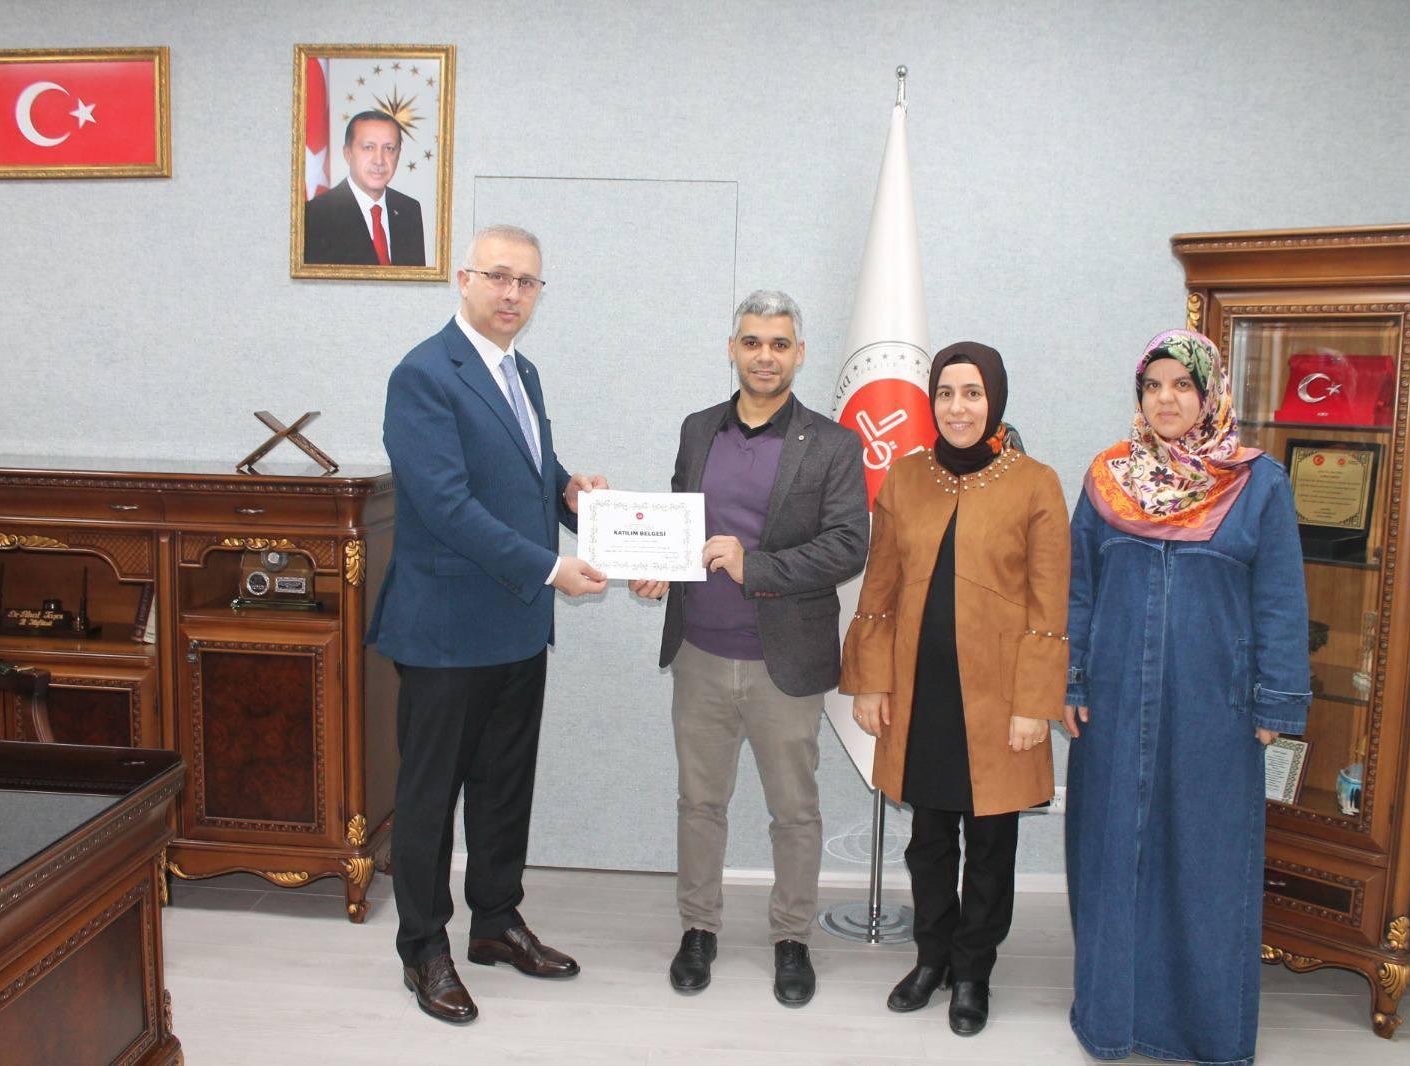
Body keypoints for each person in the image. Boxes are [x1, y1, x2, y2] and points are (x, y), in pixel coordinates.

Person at [366, 223, 608, 1025]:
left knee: (505, 788)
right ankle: (423, 948)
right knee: (430, 798)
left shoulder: (520, 370)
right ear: (464, 279)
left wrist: (569, 493)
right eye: (499, 276)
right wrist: (550, 567)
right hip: (445, 631)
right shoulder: (424, 374)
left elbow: (521, 473)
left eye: (527, 282)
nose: (512, 294)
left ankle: (496, 923)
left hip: (515, 625)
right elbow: (446, 505)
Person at [1064, 329, 1311, 1065]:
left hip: (1216, 709)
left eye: (1182, 385)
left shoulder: (1258, 483)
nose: (1166, 399)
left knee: (1205, 865)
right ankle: (1111, 1020)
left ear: (1210, 394)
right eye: (1153, 386)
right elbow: (1079, 589)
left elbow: (1281, 600)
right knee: (1113, 855)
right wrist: (1072, 678)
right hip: (1113, 704)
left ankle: (1204, 1033)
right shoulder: (1108, 479)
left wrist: (1276, 703)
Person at [631, 290, 868, 1007]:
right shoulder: (697, 428)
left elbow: (848, 546)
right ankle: (698, 929)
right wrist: (658, 566)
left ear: (800, 354)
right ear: (732, 348)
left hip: (784, 664)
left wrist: (753, 564)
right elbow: (678, 519)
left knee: (794, 811)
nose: (765, 356)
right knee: (699, 803)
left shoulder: (833, 443)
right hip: (699, 653)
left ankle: (792, 938)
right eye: (753, 342)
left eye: (779, 344)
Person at [841, 342, 1070, 1036]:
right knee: (929, 841)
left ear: (994, 400)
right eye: (945, 393)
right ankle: (931, 958)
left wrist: (1033, 704)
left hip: (1000, 702)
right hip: (921, 696)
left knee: (991, 845)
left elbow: (1049, 608)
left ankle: (973, 973)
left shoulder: (1035, 483)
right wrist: (870, 682)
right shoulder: (905, 478)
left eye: (972, 393)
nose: (957, 407)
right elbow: (878, 592)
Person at [303, 110, 426, 266]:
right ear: (348, 154)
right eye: (368, 147)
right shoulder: (316, 214)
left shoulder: (409, 209)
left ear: (398, 154)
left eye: (389, 149)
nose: (379, 160)